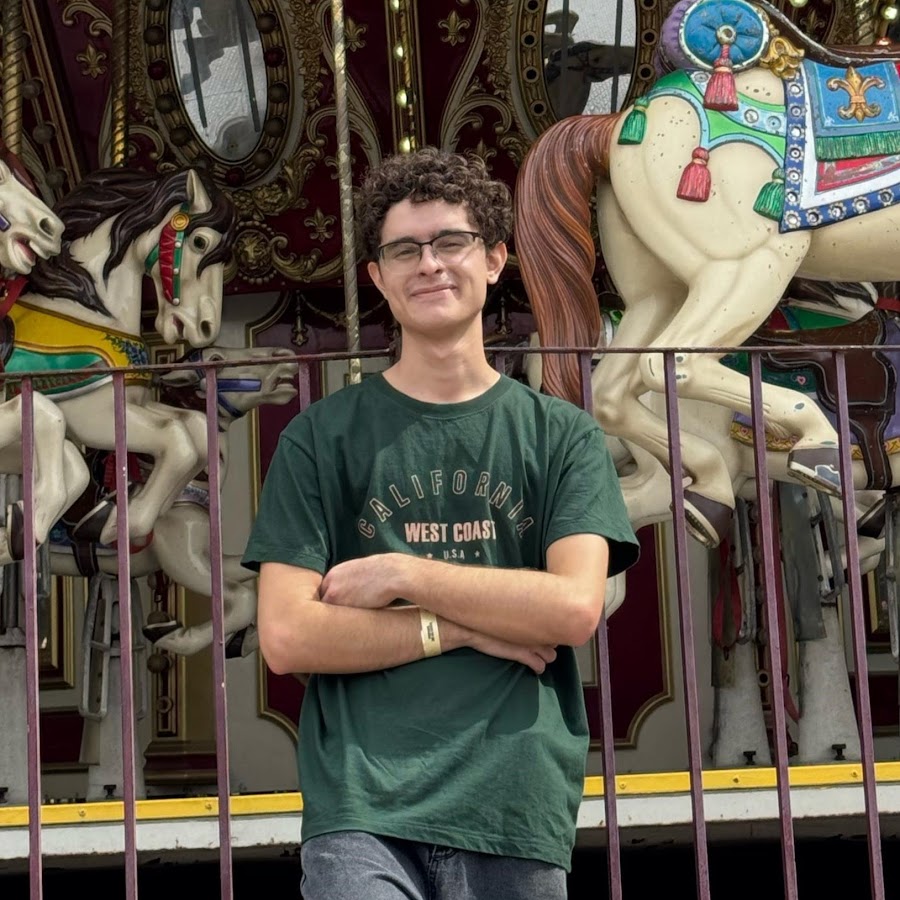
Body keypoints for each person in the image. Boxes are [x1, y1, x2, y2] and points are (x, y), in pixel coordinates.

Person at [241, 147, 639, 899]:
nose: (429, 264)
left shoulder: (563, 437)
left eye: (450, 242)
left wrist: (403, 573)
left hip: (511, 801)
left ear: (494, 260)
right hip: (363, 805)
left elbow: (572, 609)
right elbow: (288, 637)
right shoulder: (320, 439)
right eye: (404, 250)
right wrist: (456, 628)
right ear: (377, 277)